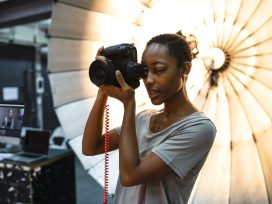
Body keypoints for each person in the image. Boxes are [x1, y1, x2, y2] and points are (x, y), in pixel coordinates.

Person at [82, 33, 216, 204]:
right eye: (144, 72)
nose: (149, 80)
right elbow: (91, 147)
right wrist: (103, 88)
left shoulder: (199, 128)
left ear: (185, 69)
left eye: (159, 70)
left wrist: (128, 104)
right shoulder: (143, 119)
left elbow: (130, 176)